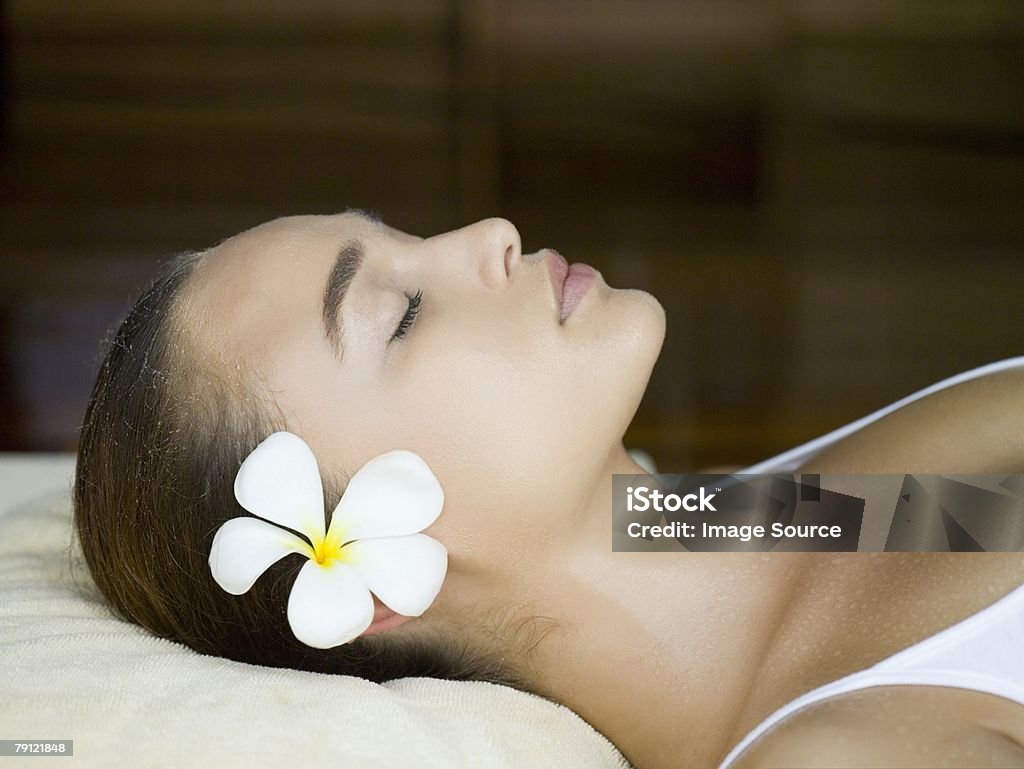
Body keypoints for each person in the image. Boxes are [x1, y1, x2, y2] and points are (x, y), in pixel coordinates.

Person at [73, 209, 1024, 769]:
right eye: (399, 314)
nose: (489, 233)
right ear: (374, 585)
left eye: (405, 233)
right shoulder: (855, 752)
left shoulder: (748, 515)